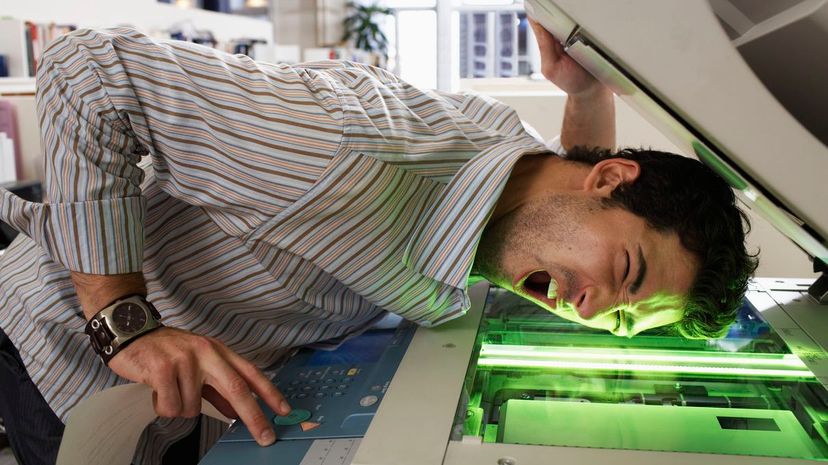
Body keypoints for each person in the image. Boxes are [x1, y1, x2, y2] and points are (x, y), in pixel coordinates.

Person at [0, 17, 755, 465]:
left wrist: (587, 94)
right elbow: (87, 70)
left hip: (206, 365)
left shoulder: (511, 160)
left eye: (620, 320)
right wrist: (122, 319)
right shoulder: (337, 153)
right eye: (624, 274)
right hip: (61, 347)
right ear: (610, 177)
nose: (591, 311)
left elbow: (568, 201)